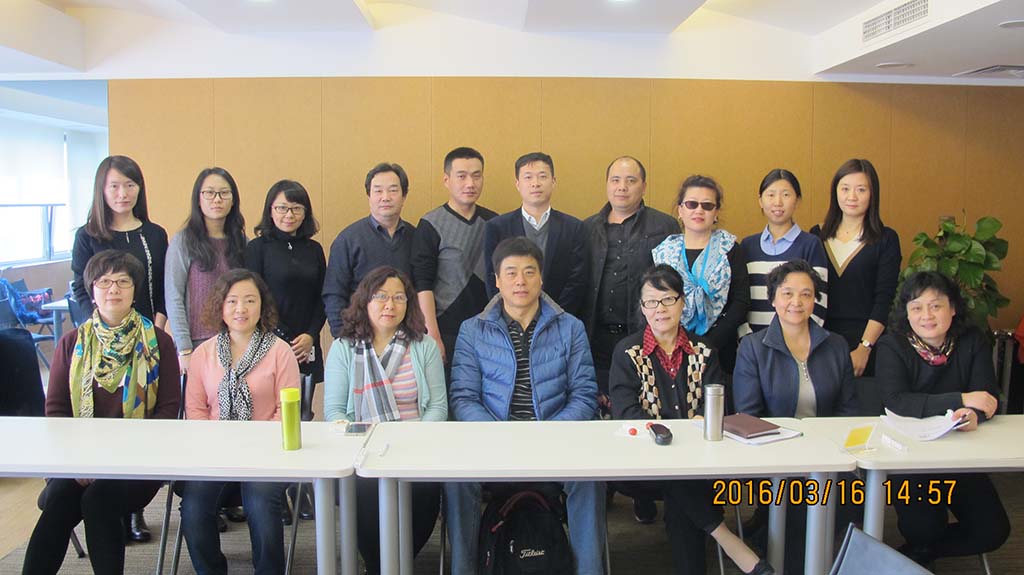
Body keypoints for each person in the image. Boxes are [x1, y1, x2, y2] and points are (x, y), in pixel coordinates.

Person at [447, 237, 604, 575]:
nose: (521, 281)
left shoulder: (570, 328)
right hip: (493, 442)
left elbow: (584, 394)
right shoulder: (473, 330)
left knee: (590, 478)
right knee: (457, 479)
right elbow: (463, 397)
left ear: (541, 278)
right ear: (497, 280)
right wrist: (499, 435)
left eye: (529, 272)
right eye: (512, 273)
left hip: (555, 440)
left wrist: (549, 433)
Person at [23, 250, 180, 575]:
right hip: (79, 460)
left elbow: (167, 411)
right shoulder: (72, 343)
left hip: (138, 461)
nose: (114, 289)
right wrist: (81, 461)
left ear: (135, 290)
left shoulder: (159, 343)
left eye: (123, 281)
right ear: (92, 291)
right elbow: (57, 411)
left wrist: (113, 460)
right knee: (60, 499)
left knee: (99, 498)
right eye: (104, 282)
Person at [609, 264, 773, 575]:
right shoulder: (627, 353)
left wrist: (685, 440)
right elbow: (626, 414)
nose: (660, 309)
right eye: (651, 302)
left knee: (681, 492)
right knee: (681, 481)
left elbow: (716, 409)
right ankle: (726, 539)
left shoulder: (705, 351)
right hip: (642, 463)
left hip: (699, 462)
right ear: (642, 308)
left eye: (668, 299)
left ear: (683, 302)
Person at [876, 271, 1009, 567]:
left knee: (993, 531)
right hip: (908, 456)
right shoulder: (892, 345)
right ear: (906, 313)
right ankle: (920, 548)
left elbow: (986, 396)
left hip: (959, 453)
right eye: (916, 308)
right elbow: (897, 400)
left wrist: (973, 414)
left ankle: (915, 555)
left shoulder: (972, 340)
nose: (927, 316)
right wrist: (961, 399)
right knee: (923, 527)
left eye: (936, 306)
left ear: (953, 308)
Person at [732, 259, 857, 574]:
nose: (796, 302)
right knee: (801, 509)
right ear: (773, 299)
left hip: (828, 455)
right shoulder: (752, 347)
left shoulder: (836, 345)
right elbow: (748, 416)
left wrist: (831, 451)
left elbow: (848, 411)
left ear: (815, 300)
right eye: (787, 293)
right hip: (776, 459)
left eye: (806, 294)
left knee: (852, 501)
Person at [69, 155, 170, 541]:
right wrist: (98, 328)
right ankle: (101, 496)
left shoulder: (154, 233)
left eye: (130, 185)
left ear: (139, 189)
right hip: (101, 342)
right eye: (114, 186)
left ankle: (133, 509)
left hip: (145, 341)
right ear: (102, 190)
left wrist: (157, 325)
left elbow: (161, 285)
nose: (122, 193)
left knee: (138, 415)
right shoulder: (87, 235)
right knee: (105, 415)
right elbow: (80, 287)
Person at [324, 266, 445, 574]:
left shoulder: (424, 346)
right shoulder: (343, 348)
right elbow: (335, 412)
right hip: (361, 451)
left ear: (409, 303)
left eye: (399, 297)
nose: (390, 305)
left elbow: (437, 407)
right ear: (365, 300)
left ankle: (400, 560)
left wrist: (413, 442)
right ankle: (379, 566)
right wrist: (364, 445)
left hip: (415, 448)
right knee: (362, 491)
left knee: (425, 494)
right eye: (380, 297)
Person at [180, 269, 300, 575]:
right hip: (214, 453)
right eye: (232, 301)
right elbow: (195, 410)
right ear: (220, 306)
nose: (241, 309)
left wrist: (254, 447)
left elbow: (286, 412)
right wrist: (218, 447)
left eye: (250, 300)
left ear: (262, 306)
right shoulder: (204, 354)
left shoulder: (280, 351)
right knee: (193, 506)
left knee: (261, 502)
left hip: (267, 454)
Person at [582, 155, 678, 524]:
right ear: (606, 184)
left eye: (631, 180)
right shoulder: (588, 228)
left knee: (639, 409)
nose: (622, 187)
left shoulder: (664, 226)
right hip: (597, 337)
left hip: (643, 338)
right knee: (601, 410)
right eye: (615, 180)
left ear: (644, 186)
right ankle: (606, 485)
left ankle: (642, 491)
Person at [811, 159, 901, 377]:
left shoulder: (886, 239)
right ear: (835, 192)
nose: (852, 197)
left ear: (873, 194)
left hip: (865, 344)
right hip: (820, 342)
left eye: (861, 190)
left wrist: (865, 348)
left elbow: (884, 299)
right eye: (845, 189)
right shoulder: (816, 235)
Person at [652, 175, 749, 373]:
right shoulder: (663, 252)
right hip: (669, 348)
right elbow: (653, 300)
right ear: (680, 210)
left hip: (720, 349)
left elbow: (741, 301)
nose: (699, 210)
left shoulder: (730, 249)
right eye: (691, 204)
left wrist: (709, 343)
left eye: (707, 205)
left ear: (716, 213)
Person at [411, 147, 498, 368]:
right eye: (461, 176)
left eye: (476, 176)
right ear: (446, 180)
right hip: (446, 330)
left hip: (488, 330)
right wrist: (433, 335)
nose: (470, 183)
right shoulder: (431, 224)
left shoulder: (495, 223)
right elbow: (422, 283)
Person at [484, 152, 588, 318]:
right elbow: (492, 277)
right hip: (510, 319)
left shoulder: (574, 227)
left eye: (542, 176)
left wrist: (556, 316)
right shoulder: (497, 227)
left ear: (553, 181)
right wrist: (510, 315)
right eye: (528, 177)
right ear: (518, 184)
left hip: (560, 319)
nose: (536, 183)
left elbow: (577, 281)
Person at [165, 167, 248, 373]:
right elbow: (174, 296)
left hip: (237, 342)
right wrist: (184, 349)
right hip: (197, 344)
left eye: (224, 193)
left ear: (233, 200)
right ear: (198, 199)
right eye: (209, 193)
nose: (217, 199)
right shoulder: (183, 241)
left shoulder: (242, 242)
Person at [323, 162, 415, 339]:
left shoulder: (416, 237)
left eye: (393, 190)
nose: (385, 197)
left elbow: (422, 291)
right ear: (369, 196)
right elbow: (334, 294)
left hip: (406, 338)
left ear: (404, 196)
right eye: (378, 191)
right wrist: (344, 337)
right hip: (359, 337)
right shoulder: (348, 239)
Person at [739, 169, 827, 336]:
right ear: (760, 201)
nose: (778, 202)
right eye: (771, 195)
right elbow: (738, 299)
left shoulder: (811, 244)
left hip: (797, 343)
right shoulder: (747, 246)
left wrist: (799, 342)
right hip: (752, 343)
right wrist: (747, 339)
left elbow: (819, 302)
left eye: (786, 195)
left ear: (797, 201)